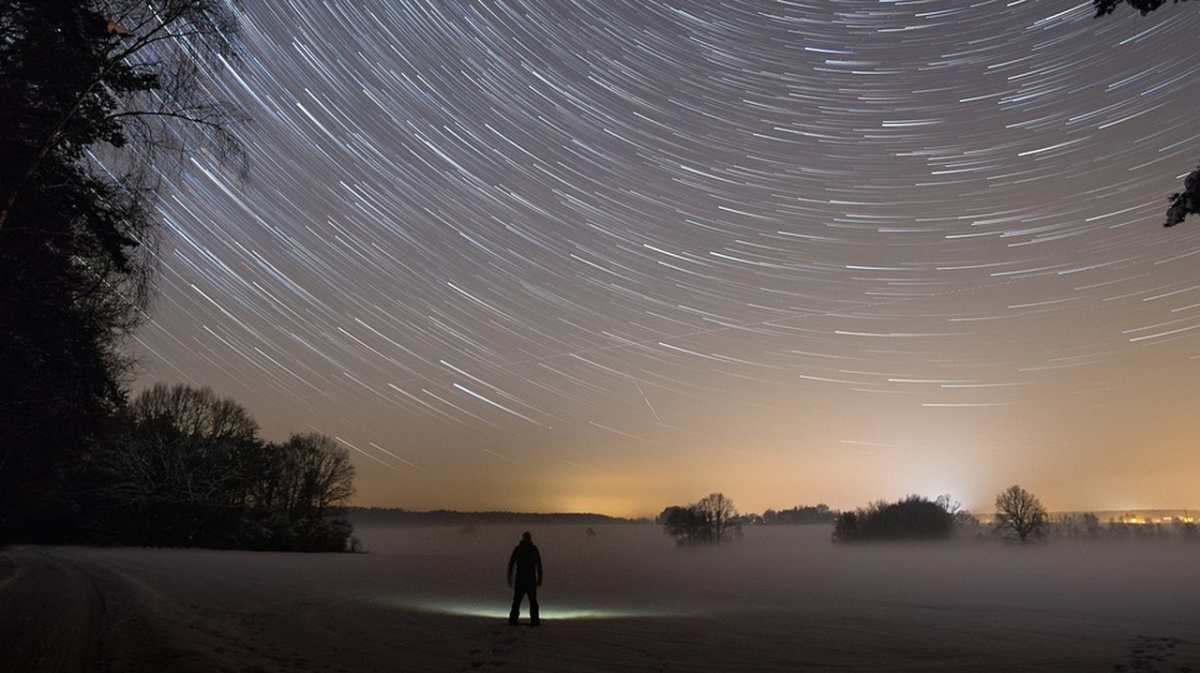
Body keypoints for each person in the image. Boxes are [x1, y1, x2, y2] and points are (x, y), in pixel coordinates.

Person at [506, 531, 543, 626]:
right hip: (530, 579)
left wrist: (509, 577)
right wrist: (540, 578)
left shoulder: (518, 549)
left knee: (517, 601)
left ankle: (513, 620)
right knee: (532, 601)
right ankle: (535, 621)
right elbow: (539, 565)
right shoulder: (533, 549)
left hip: (520, 579)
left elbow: (511, 564)